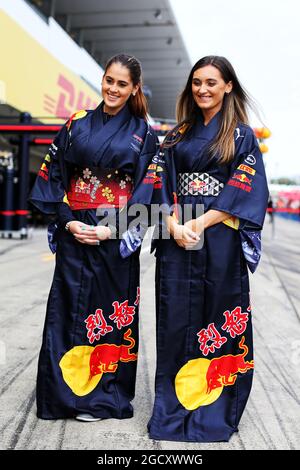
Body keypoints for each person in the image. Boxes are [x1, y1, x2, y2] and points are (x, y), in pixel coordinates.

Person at [29, 54, 157, 422]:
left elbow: (150, 190)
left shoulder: (143, 133)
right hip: (76, 229)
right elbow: (53, 176)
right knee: (66, 311)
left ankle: (102, 397)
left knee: (108, 317)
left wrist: (111, 229)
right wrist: (68, 221)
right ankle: (60, 396)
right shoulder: (76, 123)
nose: (113, 89)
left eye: (121, 83)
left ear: (134, 88)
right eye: (108, 80)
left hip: (114, 237)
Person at [147, 56, 269, 442]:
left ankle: (214, 406)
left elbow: (243, 188)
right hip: (176, 234)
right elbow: (157, 182)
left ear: (228, 86)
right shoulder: (176, 134)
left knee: (218, 317)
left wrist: (199, 223)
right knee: (176, 318)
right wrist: (171, 225)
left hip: (218, 237)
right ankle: (171, 407)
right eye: (197, 82)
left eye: (211, 83)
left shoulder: (242, 136)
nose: (202, 89)